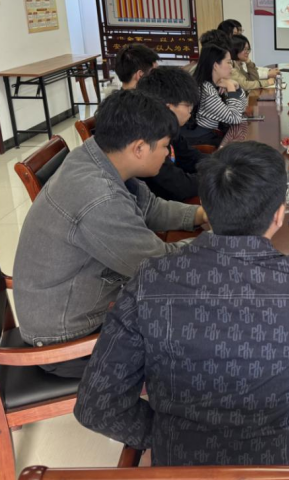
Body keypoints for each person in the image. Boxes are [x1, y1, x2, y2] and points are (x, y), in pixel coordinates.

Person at [74, 141, 289, 466]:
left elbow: (98, 407)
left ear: (207, 213)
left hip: (180, 465)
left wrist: (167, 434)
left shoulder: (149, 280)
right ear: (279, 215)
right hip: (281, 465)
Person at [13, 90, 209, 378]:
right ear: (139, 148)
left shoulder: (99, 156)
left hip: (81, 302)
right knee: (201, 331)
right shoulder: (99, 196)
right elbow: (158, 266)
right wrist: (214, 244)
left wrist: (200, 215)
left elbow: (149, 207)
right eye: (165, 146)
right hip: (68, 338)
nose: (168, 154)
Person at [135, 67, 207, 202]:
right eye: (187, 105)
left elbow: (190, 157)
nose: (190, 110)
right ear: (167, 108)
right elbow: (179, 186)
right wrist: (220, 176)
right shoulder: (149, 139)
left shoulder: (169, 129)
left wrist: (222, 165)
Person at [181, 43, 249, 147]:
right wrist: (231, 88)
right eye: (228, 62)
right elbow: (235, 118)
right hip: (200, 140)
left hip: (209, 135)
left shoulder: (216, 84)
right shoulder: (206, 90)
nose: (231, 67)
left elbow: (242, 107)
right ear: (216, 65)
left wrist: (237, 87)